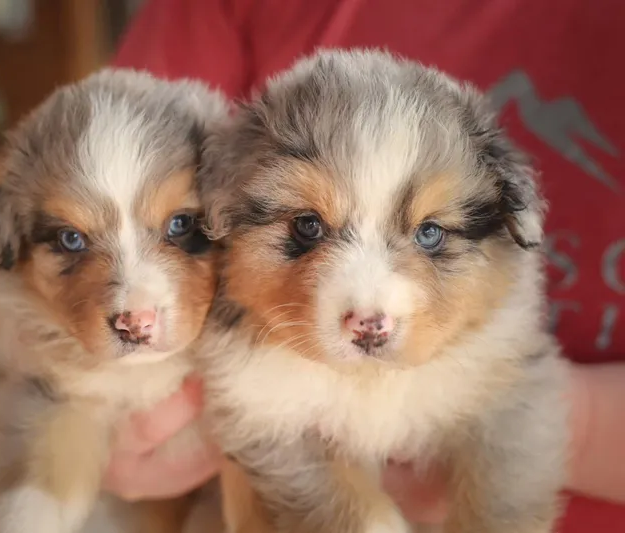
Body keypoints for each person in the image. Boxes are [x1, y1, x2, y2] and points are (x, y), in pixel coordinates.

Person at [105, 1, 625, 530]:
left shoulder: (495, 352)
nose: (370, 310)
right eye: (308, 228)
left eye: (430, 233)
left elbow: (516, 416)